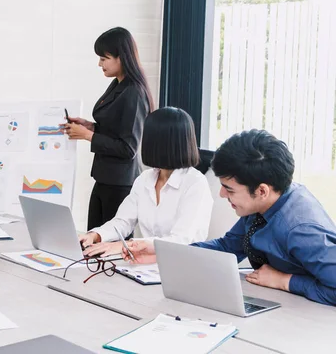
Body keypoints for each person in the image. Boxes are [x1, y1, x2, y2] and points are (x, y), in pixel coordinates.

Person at [122, 129, 336, 306]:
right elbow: (228, 246)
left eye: (229, 189)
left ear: (261, 191)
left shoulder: (302, 229)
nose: (222, 195)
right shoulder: (264, 203)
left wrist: (285, 281)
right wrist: (161, 251)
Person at [80, 107, 213, 258]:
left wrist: (127, 245)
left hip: (181, 264)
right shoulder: (145, 178)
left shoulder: (195, 183)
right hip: (145, 264)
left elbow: (181, 240)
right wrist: (95, 235)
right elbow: (123, 221)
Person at [63, 27, 155, 230]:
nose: (99, 64)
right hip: (105, 178)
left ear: (121, 57)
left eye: (104, 58)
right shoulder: (118, 85)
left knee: (109, 247)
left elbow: (128, 148)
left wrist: (88, 135)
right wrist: (90, 126)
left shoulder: (134, 93)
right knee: (92, 240)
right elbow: (115, 128)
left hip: (120, 184)